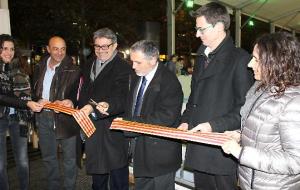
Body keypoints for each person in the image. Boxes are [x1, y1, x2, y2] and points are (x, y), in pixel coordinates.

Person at [178, 2, 254, 190]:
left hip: (221, 150)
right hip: (199, 145)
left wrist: (213, 126)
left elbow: (245, 109)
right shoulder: (202, 57)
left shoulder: (240, 59)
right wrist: (185, 121)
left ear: (219, 26)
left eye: (201, 29)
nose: (197, 34)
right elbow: (194, 99)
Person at [97, 40, 183, 190]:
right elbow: (128, 101)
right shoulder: (138, 74)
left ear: (152, 60)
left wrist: (128, 124)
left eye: (138, 62)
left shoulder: (169, 81)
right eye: (132, 61)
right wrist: (110, 106)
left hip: (159, 155)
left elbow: (166, 117)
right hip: (140, 151)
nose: (133, 66)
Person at [222, 32, 300, 190]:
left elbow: (295, 161)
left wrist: (241, 153)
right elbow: (266, 132)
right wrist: (240, 134)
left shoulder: (294, 102)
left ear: (276, 62)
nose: (249, 64)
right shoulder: (260, 87)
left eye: (256, 60)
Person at [77, 28, 131, 190]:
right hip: (92, 128)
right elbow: (81, 89)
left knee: (117, 176)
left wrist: (97, 107)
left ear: (115, 46)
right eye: (97, 46)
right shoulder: (88, 64)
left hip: (112, 128)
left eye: (105, 46)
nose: (100, 51)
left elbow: (121, 97)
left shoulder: (123, 67)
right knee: (98, 177)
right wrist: (70, 100)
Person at [32, 36, 81, 190]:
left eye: (63, 49)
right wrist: (38, 100)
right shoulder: (39, 67)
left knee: (69, 159)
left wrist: (70, 101)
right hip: (43, 116)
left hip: (65, 117)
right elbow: (34, 91)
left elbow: (79, 94)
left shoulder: (75, 69)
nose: (60, 53)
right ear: (48, 49)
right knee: (49, 158)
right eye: (55, 48)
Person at [0, 34, 42, 190]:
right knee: (0, 164)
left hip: (19, 118)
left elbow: (27, 93)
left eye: (11, 49)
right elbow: (2, 97)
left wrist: (39, 99)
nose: (8, 52)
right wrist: (27, 103)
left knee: (23, 161)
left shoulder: (20, 70)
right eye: (4, 48)